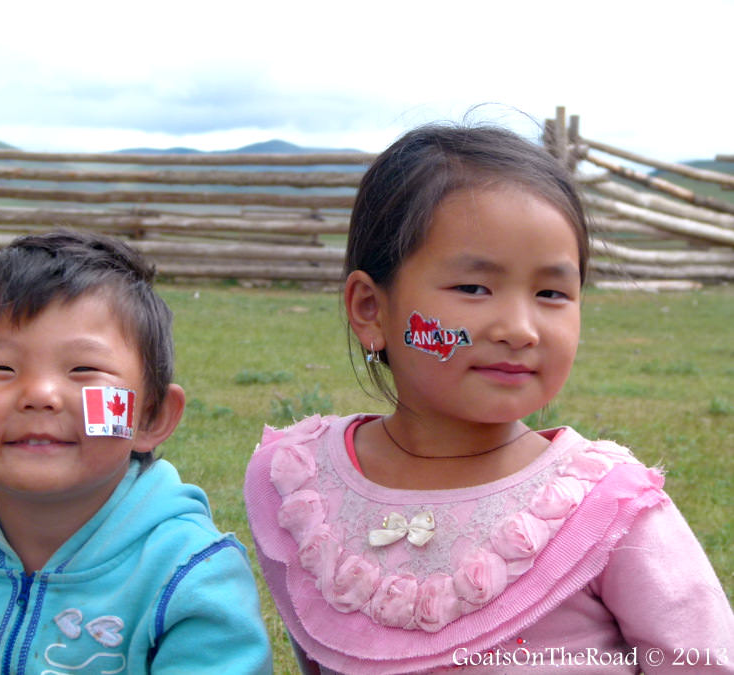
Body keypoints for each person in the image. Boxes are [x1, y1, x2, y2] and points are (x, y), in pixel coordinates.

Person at [244, 125, 734, 674]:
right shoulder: (300, 489)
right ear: (369, 309)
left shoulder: (608, 511)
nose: (520, 329)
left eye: (551, 293)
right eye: (474, 288)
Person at [0, 230, 272, 674]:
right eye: (1, 368)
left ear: (150, 417)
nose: (41, 394)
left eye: (84, 369)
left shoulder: (191, 572)